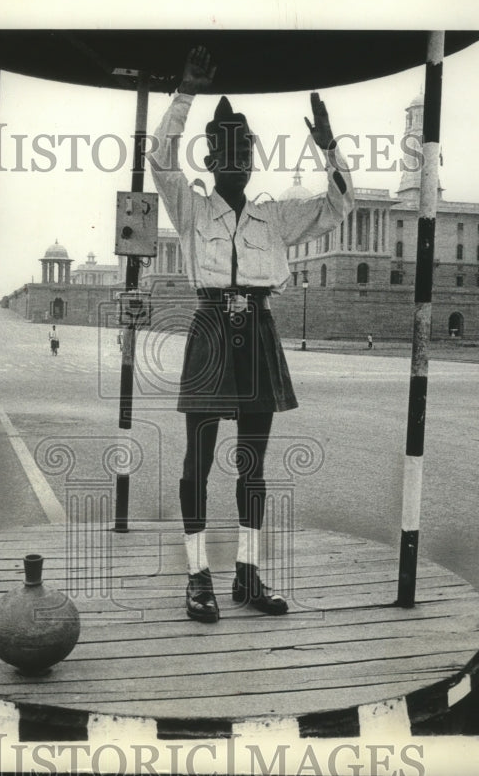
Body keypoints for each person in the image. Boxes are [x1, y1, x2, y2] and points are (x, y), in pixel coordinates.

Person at [149, 47, 355, 622]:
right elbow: (160, 160)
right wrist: (185, 93)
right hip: (212, 328)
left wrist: (328, 145)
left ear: (254, 159)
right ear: (211, 158)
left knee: (254, 465)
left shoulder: (277, 218)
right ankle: (196, 578)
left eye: (244, 151)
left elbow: (342, 203)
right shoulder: (190, 210)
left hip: (259, 330)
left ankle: (248, 575)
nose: (235, 160)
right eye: (225, 150)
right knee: (198, 462)